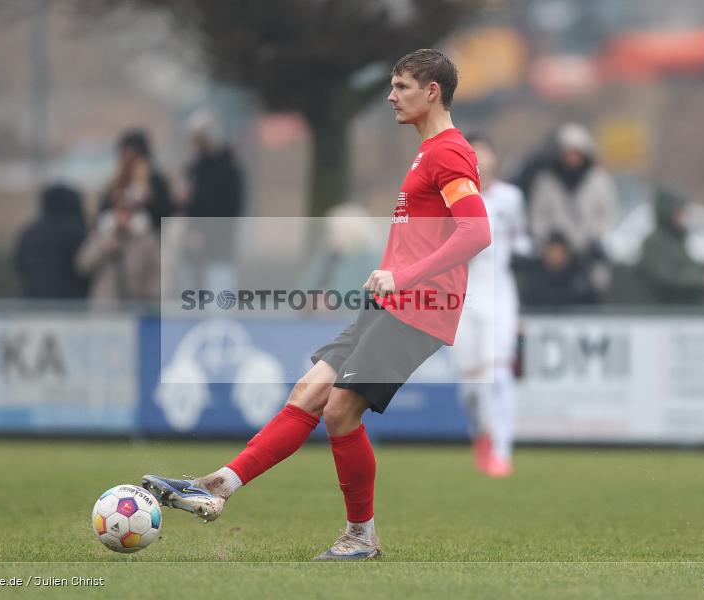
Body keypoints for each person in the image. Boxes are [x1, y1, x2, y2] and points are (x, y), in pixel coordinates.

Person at [141, 49, 491, 561]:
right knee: (309, 391)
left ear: (432, 91)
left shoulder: (450, 152)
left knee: (340, 410)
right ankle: (218, 484)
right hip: (390, 304)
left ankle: (360, 537)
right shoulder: (428, 151)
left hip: (420, 308)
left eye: (401, 86)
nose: (391, 96)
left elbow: (477, 231)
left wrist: (404, 276)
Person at [452, 133, 531, 477]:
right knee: (471, 387)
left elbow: (521, 243)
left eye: (485, 156)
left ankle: (500, 451)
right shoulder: (451, 198)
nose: (481, 164)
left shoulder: (510, 199)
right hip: (462, 298)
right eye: (473, 158)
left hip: (500, 295)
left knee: (497, 374)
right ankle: (481, 433)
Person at [529, 123, 618, 295]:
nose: (572, 159)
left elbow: (607, 215)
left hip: (588, 257)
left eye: (577, 154)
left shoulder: (599, 181)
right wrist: (552, 240)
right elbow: (538, 217)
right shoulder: (547, 182)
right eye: (568, 154)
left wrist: (594, 239)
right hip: (557, 257)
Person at [179, 110, 245, 292]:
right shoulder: (194, 169)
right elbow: (190, 208)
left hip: (219, 252)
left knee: (218, 298)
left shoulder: (229, 170)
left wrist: (205, 237)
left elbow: (229, 213)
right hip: (194, 251)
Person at [635, 188, 704, 305]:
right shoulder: (654, 244)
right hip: (663, 310)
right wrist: (701, 280)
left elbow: (688, 268)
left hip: (684, 309)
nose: (684, 217)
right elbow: (666, 277)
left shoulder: (677, 240)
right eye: (679, 212)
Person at [76, 192, 161, 306]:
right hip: (105, 306)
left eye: (128, 210)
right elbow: (82, 265)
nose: (123, 215)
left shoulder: (146, 240)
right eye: (120, 210)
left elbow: (157, 271)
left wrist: (150, 296)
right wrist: (104, 247)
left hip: (137, 305)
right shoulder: (100, 236)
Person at [14, 183, 88, 299]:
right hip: (71, 301)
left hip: (33, 298)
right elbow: (85, 267)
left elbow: (19, 263)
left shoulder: (30, 232)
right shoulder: (78, 231)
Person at [99, 129, 174, 231]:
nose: (130, 161)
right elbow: (102, 210)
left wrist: (148, 201)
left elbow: (166, 213)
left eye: (134, 156)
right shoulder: (115, 181)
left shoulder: (156, 182)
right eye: (126, 156)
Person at [521, 232, 599, 306]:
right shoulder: (535, 276)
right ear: (545, 253)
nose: (556, 255)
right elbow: (528, 303)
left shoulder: (579, 276)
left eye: (559, 251)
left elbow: (592, 303)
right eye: (552, 251)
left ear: (567, 253)